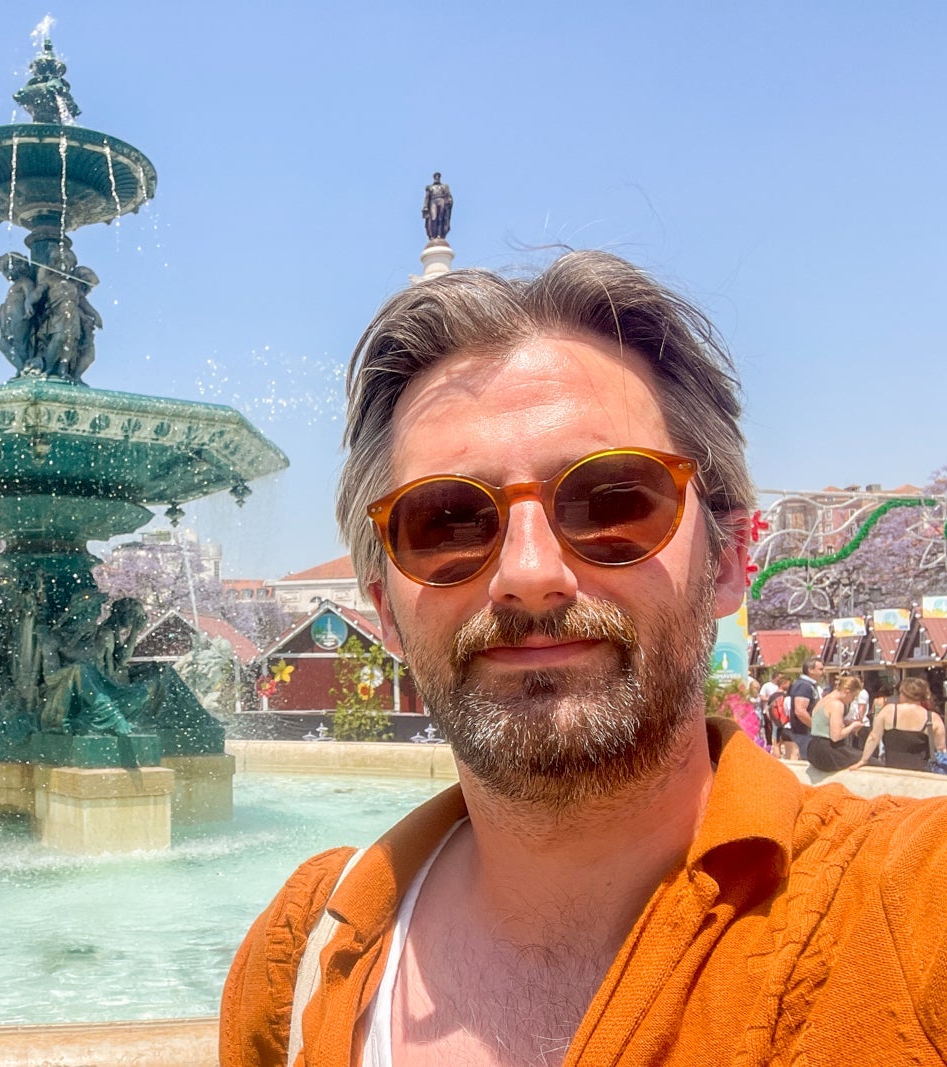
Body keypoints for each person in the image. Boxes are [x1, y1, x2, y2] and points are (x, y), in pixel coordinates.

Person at [220, 251, 947, 1065]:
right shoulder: (301, 965)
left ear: (733, 557)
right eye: (449, 521)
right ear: (384, 607)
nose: (530, 575)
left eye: (613, 502)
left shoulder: (904, 911)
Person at [852, 677, 946, 772]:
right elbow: (941, 749)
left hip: (893, 769)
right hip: (921, 772)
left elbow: (873, 737)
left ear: (904, 693)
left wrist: (863, 760)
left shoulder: (888, 711)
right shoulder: (932, 717)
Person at [805, 672, 865, 771]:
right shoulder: (837, 704)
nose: (852, 700)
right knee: (870, 760)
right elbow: (836, 736)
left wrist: (845, 724)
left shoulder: (823, 700)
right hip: (827, 751)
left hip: (812, 749)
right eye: (853, 696)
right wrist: (853, 726)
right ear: (847, 691)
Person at [786, 656, 825, 759]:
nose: (823, 672)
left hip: (806, 733)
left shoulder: (809, 685)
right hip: (803, 734)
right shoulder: (804, 686)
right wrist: (815, 726)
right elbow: (800, 711)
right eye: (820, 669)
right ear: (810, 670)